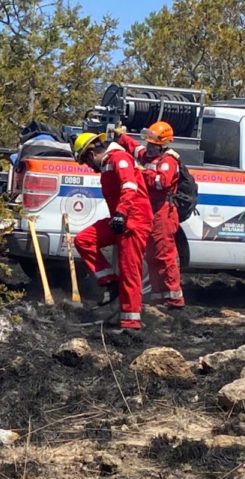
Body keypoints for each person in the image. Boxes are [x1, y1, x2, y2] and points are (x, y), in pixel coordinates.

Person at [71, 132, 154, 331]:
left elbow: (129, 186)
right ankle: (110, 282)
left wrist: (121, 214)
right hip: (121, 219)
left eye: (86, 162)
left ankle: (130, 322)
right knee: (84, 240)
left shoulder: (119, 158)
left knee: (129, 271)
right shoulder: (110, 161)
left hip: (133, 220)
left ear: (91, 154)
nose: (90, 168)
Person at [115, 121, 185, 309]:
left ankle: (174, 299)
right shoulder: (147, 155)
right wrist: (121, 137)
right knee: (152, 255)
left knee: (165, 254)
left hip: (164, 211)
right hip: (151, 210)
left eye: (153, 144)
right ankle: (158, 296)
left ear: (163, 145)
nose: (149, 146)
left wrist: (140, 172)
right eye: (149, 143)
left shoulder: (168, 161)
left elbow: (161, 183)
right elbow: (135, 148)